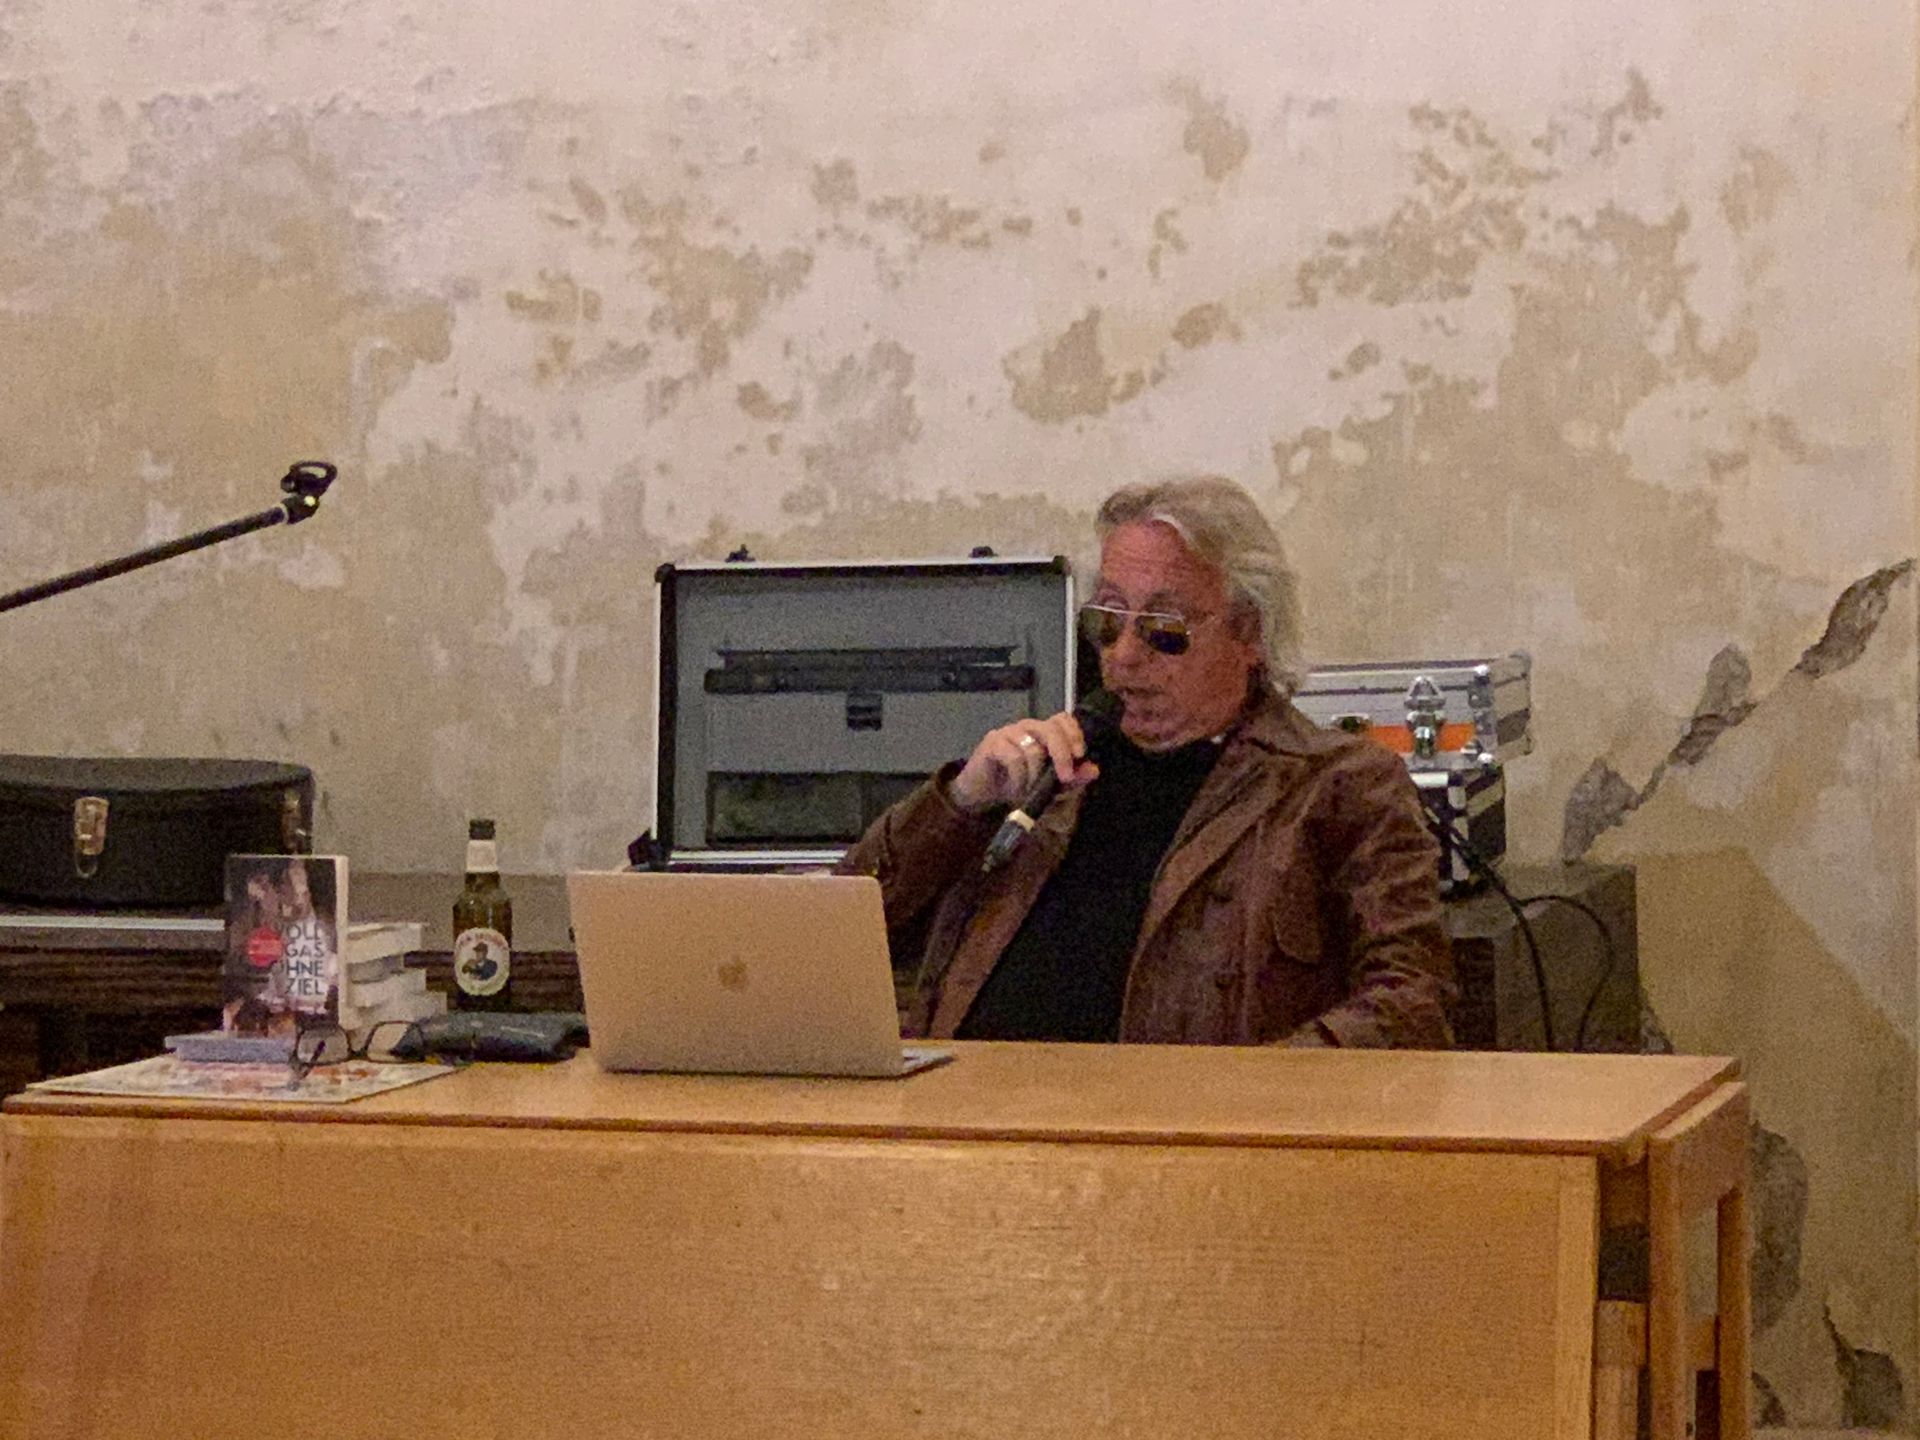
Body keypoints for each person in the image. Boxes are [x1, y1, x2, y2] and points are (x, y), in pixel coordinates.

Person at [839, 475, 1455, 1047]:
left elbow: (1411, 1005)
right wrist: (960, 803)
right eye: (1108, 623)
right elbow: (834, 945)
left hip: (1186, 1125)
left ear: (1249, 633)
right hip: (970, 1113)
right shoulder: (1049, 777)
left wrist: (1242, 1096)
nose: (1124, 657)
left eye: (1163, 629)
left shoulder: (1336, 786)